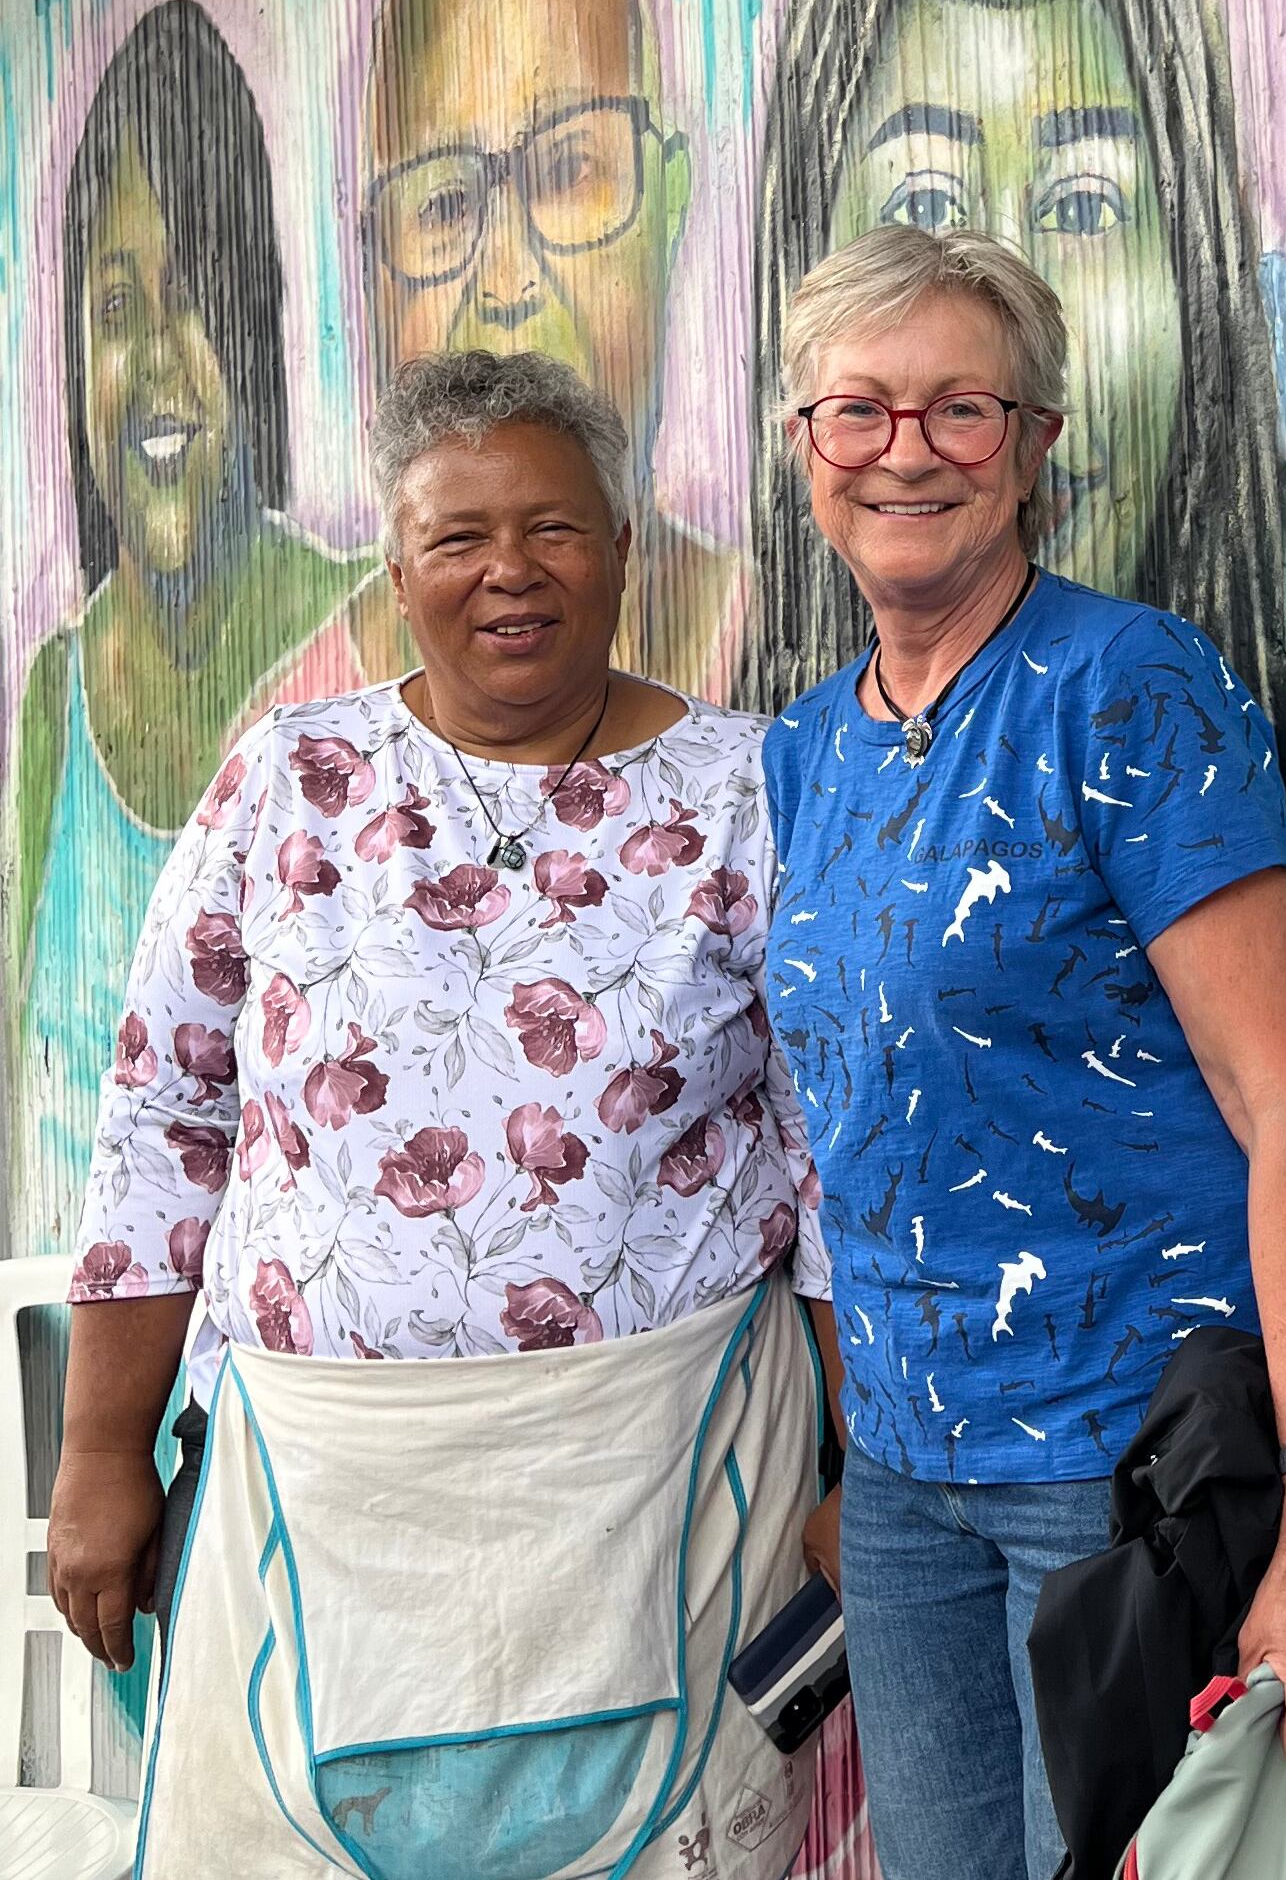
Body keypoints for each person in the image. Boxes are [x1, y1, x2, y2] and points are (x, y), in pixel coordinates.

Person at [48, 350, 827, 1876]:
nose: (508, 574)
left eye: (551, 528)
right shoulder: (290, 782)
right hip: (318, 1499)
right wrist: (97, 1457)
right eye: (458, 538)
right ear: (397, 570)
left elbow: (834, 1159)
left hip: (661, 1491)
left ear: (622, 550)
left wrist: (871, 1482)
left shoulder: (755, 794)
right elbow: (166, 1123)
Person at [763, 225, 1286, 1880]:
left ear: (1037, 446)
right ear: (804, 447)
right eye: (858, 410)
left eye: (960, 408)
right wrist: (853, 1447)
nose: (906, 452)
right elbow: (846, 1124)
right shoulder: (807, 750)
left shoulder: (1125, 687)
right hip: (909, 1494)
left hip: (1122, 1483)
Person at [741, 0, 1286, 703]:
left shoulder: (1175, 720)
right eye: (919, 205)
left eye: (1084, 205)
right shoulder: (785, 762)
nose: (999, 301)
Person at [11, 0, 355, 1260]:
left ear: (255, 326)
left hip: (292, 1422)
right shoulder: (55, 694)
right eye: (114, 310)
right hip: (76, 1404)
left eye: (194, 296)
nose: (158, 356)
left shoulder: (368, 639)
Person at [257, 0, 739, 712]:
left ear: (669, 212)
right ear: (373, 279)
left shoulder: (802, 677)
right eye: (443, 205)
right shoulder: (293, 760)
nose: (508, 280)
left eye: (567, 171)